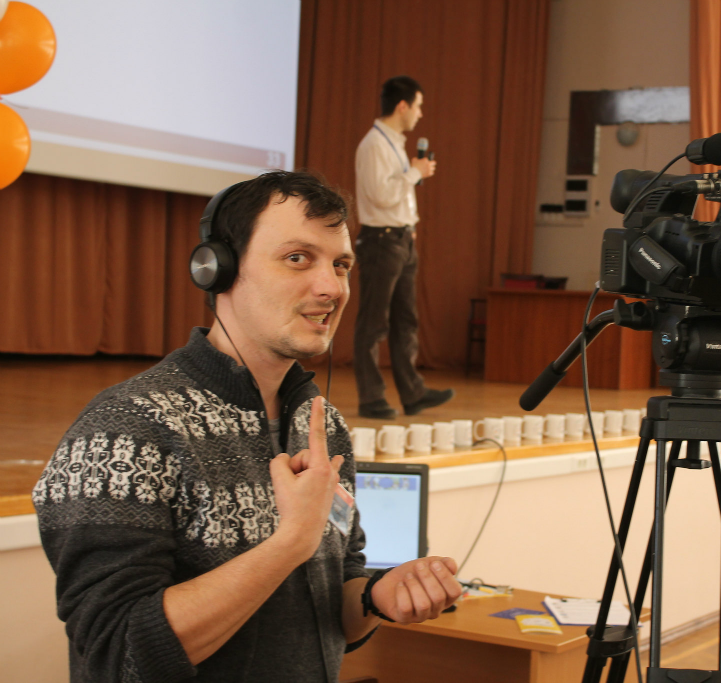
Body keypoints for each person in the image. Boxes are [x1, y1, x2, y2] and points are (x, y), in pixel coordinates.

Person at [32, 171, 462, 682]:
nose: (331, 287)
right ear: (218, 269)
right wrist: (289, 543)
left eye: (341, 264)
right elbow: (116, 654)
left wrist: (375, 595)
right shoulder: (123, 430)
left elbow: (334, 614)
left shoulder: (320, 423)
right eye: (297, 258)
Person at [353, 75, 454, 419]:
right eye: (418, 106)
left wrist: (412, 174)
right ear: (402, 106)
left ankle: (413, 393)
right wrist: (414, 172)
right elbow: (379, 196)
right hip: (381, 241)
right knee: (373, 324)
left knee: (405, 321)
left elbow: (394, 193)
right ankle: (371, 398)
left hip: (402, 240)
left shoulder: (394, 143)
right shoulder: (374, 144)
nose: (420, 114)